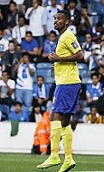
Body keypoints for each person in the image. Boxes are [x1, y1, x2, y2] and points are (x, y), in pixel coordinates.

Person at [37, 10, 83, 172]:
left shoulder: (68, 36)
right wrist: (58, 63)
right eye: (55, 18)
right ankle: (68, 159)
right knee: (64, 121)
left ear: (67, 22)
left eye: (59, 19)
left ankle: (55, 154)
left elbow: (80, 55)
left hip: (67, 84)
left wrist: (59, 59)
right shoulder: (63, 37)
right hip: (67, 82)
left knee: (54, 116)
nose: (55, 21)